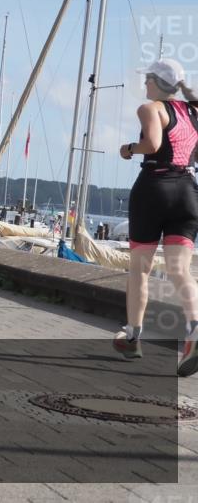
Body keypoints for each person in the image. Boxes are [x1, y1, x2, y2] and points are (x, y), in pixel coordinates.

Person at [113, 58, 198, 376]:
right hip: (188, 192)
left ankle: (133, 336)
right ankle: (195, 328)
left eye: (148, 77)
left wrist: (129, 148)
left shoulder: (151, 109)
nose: (145, 83)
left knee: (140, 268)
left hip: (155, 188)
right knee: (180, 270)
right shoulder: (193, 114)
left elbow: (154, 143)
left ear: (157, 82)